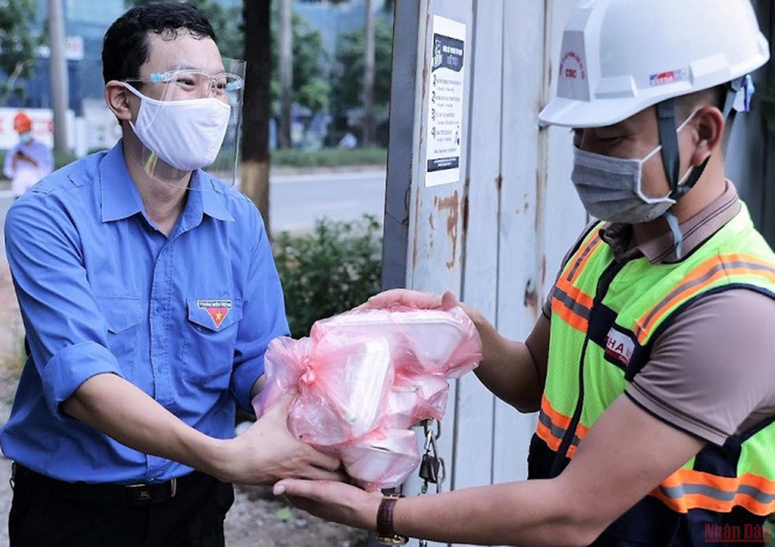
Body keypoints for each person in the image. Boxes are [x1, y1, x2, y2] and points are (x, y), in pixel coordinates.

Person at [272, 1, 775, 545]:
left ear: (702, 132)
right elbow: (533, 379)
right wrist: (462, 330)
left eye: (606, 137)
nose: (583, 156)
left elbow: (571, 513)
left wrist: (378, 515)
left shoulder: (732, 309)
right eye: (576, 134)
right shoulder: (605, 241)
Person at [0, 3, 341, 546]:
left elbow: (258, 359)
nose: (211, 104)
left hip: (196, 508)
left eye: (219, 85)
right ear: (122, 100)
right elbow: (84, 384)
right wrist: (227, 455)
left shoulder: (239, 222)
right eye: (186, 83)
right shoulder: (49, 216)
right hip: (73, 512)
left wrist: (325, 418)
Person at [3, 112, 53, 198]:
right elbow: (8, 172)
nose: (22, 134)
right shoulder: (14, 150)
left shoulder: (42, 148)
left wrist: (29, 159)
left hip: (36, 190)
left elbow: (46, 169)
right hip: (19, 191)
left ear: (29, 129)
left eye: (24, 131)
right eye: (20, 132)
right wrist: (14, 161)